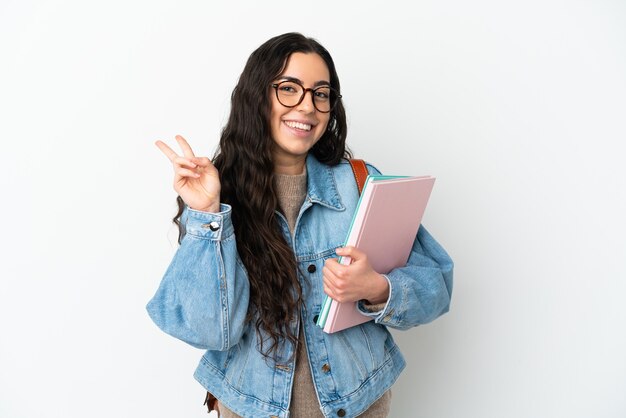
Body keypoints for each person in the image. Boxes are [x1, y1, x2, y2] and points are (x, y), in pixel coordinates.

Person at [147, 32, 453, 418]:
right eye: (289, 89)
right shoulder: (217, 196)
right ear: (258, 95)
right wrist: (209, 213)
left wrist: (377, 287)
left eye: (320, 94)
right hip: (248, 408)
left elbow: (437, 285)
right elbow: (205, 328)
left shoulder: (359, 184)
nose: (307, 106)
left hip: (360, 404)